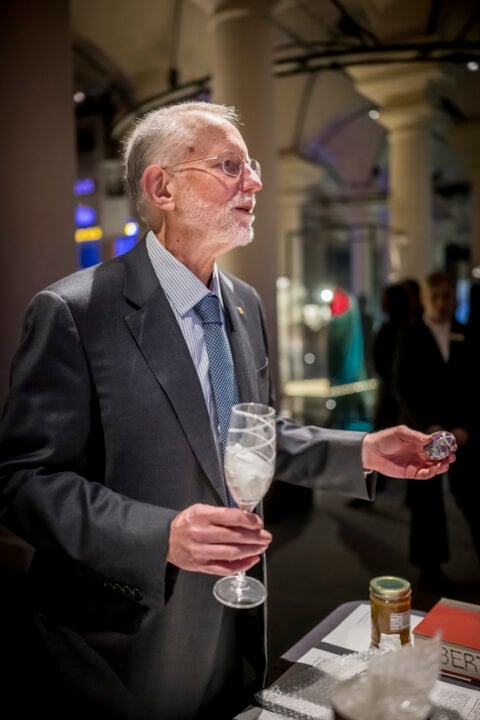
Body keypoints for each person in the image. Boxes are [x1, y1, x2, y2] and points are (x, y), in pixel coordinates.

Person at [0, 101, 454, 720]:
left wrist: (364, 450)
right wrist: (159, 535)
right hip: (124, 645)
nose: (255, 183)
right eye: (230, 165)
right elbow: (24, 482)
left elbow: (253, 434)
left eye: (252, 166)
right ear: (162, 187)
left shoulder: (242, 302)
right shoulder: (76, 312)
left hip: (233, 625)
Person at [394, 270, 479, 592]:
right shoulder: (411, 333)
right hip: (426, 432)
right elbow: (402, 384)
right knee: (427, 502)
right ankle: (430, 569)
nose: (442, 303)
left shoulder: (466, 332)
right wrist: (427, 425)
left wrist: (467, 427)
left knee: (472, 495)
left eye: (447, 296)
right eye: (436, 297)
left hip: (463, 431)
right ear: (425, 299)